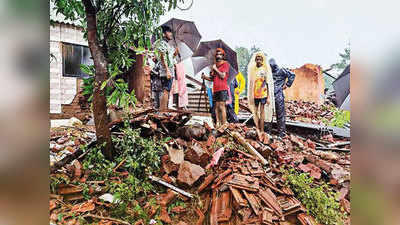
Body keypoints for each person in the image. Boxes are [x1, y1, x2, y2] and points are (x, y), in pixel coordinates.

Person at [202, 48, 230, 128]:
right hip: (216, 88)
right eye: (217, 54)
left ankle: (224, 124)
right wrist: (205, 77)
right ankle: (218, 123)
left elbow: (222, 76)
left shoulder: (225, 64)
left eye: (220, 54)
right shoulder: (215, 65)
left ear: (223, 56)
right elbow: (213, 79)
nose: (218, 55)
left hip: (222, 88)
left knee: (222, 106)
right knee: (216, 107)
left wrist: (215, 69)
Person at [154, 25, 179, 111]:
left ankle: (163, 110)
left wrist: (174, 54)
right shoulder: (162, 43)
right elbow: (162, 56)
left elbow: (169, 59)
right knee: (165, 91)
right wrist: (168, 71)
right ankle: (162, 110)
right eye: (169, 32)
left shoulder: (167, 44)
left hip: (169, 70)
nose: (171, 34)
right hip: (166, 71)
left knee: (166, 91)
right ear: (164, 34)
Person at [269, 58, 295, 137]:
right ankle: (268, 132)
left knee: (280, 115)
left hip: (278, 95)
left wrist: (287, 85)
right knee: (269, 115)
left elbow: (292, 75)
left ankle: (281, 134)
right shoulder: (269, 73)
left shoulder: (281, 70)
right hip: (270, 96)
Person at [247, 52, 272, 136]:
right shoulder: (253, 70)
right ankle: (257, 128)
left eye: (260, 59)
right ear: (255, 60)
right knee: (255, 111)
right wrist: (250, 94)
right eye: (257, 59)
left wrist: (268, 96)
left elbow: (266, 82)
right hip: (255, 93)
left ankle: (262, 130)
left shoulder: (264, 69)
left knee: (262, 111)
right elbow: (251, 83)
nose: (258, 61)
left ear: (262, 60)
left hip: (263, 93)